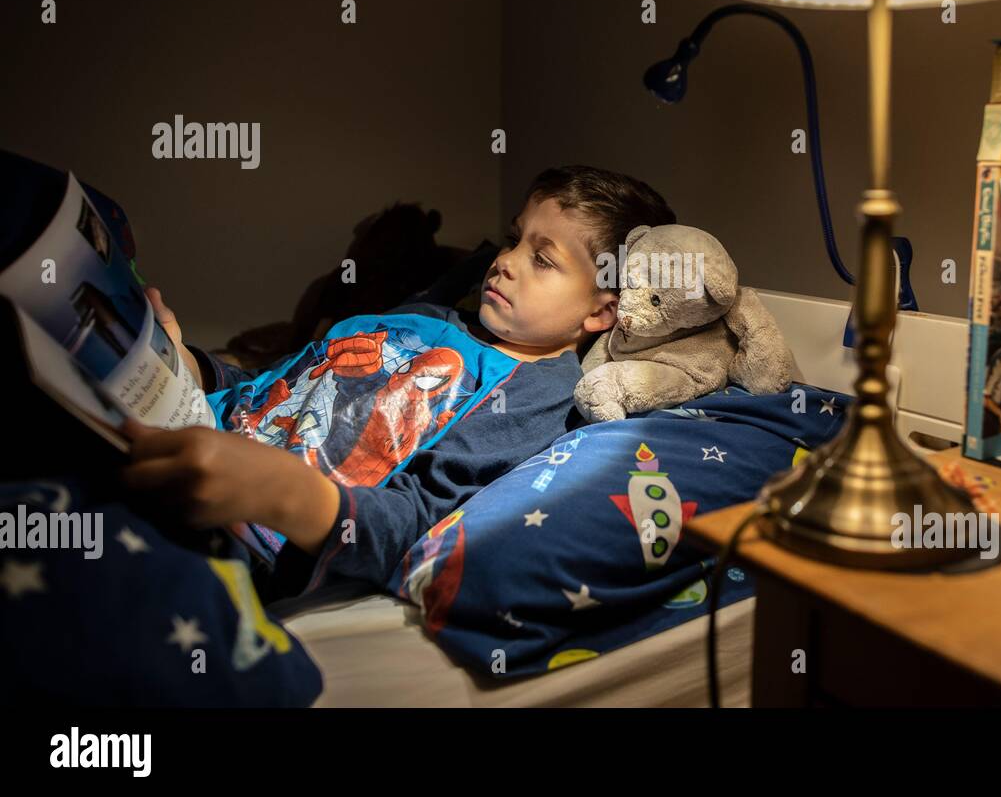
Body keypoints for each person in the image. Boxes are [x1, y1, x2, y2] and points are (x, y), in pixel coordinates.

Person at [120, 165, 676, 598]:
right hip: (185, 425)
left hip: (246, 532)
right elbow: (283, 381)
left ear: (601, 312)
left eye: (543, 259)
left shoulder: (536, 389)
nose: (504, 261)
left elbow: (417, 521)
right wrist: (186, 368)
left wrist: (283, 492)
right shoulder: (429, 318)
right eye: (514, 240)